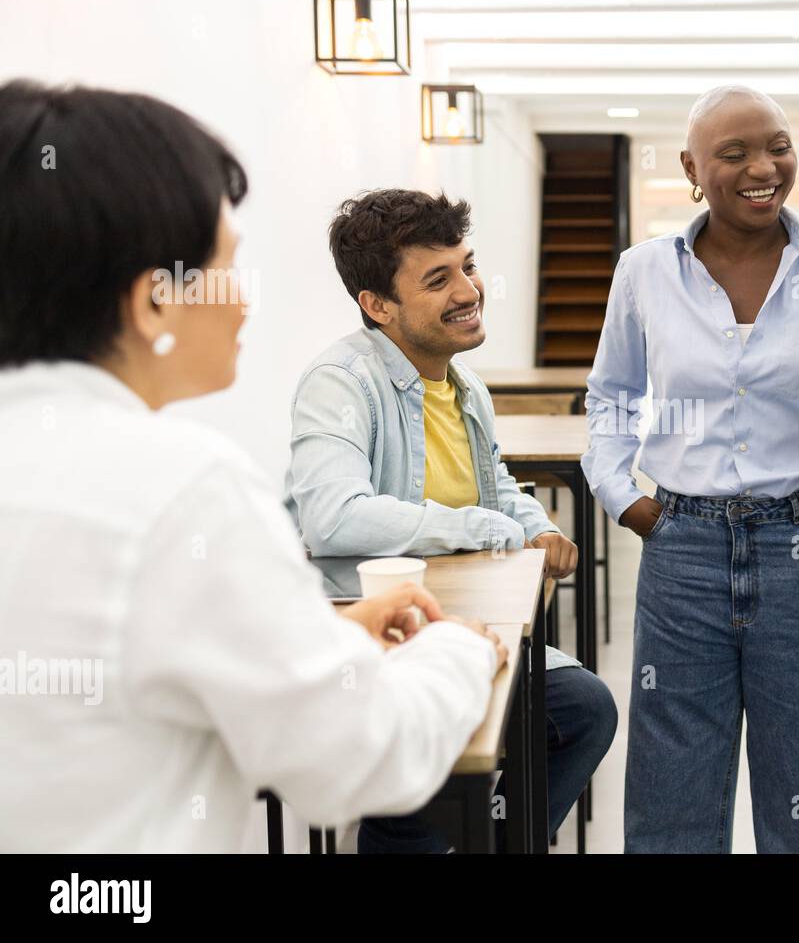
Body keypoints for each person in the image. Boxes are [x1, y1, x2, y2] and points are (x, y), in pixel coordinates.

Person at [0, 80, 506, 852]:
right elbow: (361, 754)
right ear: (153, 302)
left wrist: (316, 638)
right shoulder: (182, 490)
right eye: (228, 269)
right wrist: (463, 647)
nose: (245, 304)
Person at [583, 85, 799, 853]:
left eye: (778, 145)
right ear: (691, 167)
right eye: (735, 152)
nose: (764, 167)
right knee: (672, 795)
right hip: (682, 549)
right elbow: (612, 399)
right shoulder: (644, 272)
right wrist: (630, 503)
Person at [284, 189, 617, 851]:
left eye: (467, 266)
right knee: (429, 769)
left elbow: (491, 482)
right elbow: (332, 517)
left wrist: (532, 522)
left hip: (460, 622)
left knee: (584, 710)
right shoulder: (340, 382)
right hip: (371, 634)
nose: (469, 289)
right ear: (377, 305)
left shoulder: (464, 386)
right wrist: (486, 528)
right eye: (439, 279)